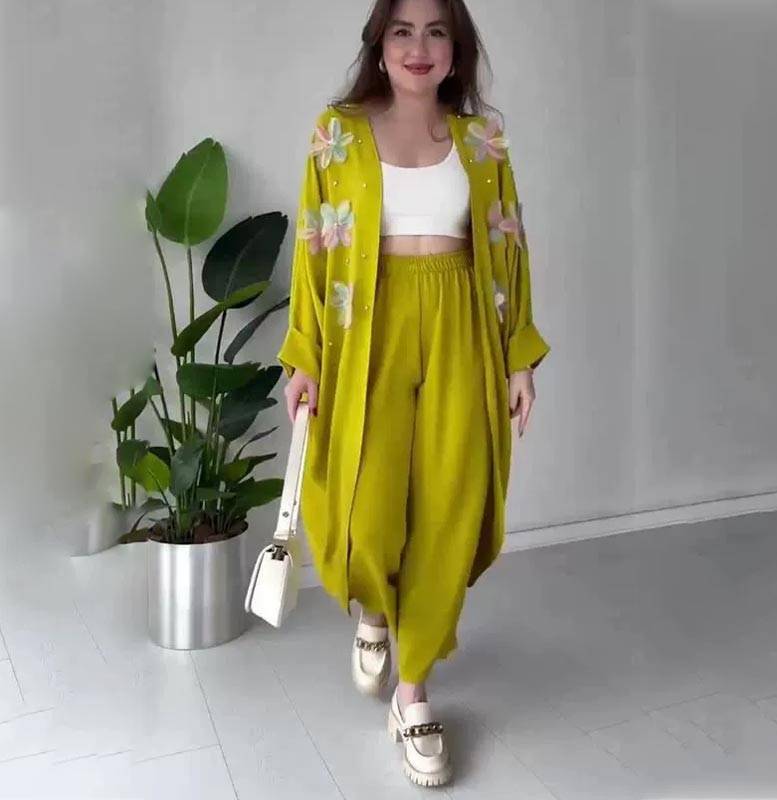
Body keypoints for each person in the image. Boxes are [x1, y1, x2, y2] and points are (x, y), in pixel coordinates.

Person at [277, 0, 550, 786]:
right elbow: (313, 250)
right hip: (369, 325)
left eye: (437, 32)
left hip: (461, 322)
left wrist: (518, 357)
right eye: (402, 31)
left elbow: (508, 247)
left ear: (457, 51)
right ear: (380, 44)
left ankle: (414, 691)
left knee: (448, 504)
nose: (419, 47)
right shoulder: (337, 134)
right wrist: (304, 358)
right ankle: (372, 605)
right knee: (365, 508)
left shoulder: (482, 140)